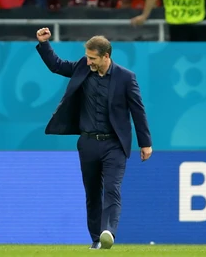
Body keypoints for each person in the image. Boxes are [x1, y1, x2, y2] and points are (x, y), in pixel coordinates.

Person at [34, 29, 152, 250]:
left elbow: (138, 111)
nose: (88, 62)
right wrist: (44, 44)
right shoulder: (83, 66)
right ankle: (97, 238)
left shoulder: (126, 78)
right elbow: (57, 66)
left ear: (106, 56)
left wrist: (145, 143)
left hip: (114, 144)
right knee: (92, 193)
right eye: (87, 57)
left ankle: (109, 232)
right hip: (87, 143)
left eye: (92, 58)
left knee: (112, 189)